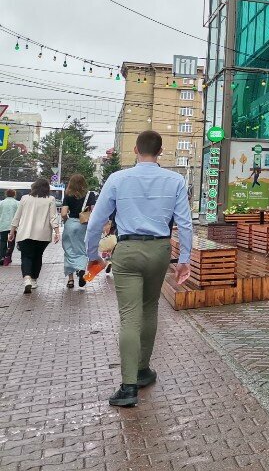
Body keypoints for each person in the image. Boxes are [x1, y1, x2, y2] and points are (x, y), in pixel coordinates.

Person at [84, 130, 193, 408]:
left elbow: (96, 222)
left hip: (128, 250)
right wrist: (185, 259)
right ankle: (143, 369)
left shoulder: (117, 179)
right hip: (159, 250)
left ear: (135, 150)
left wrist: (92, 255)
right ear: (160, 151)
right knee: (150, 307)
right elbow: (185, 222)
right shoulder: (175, 180)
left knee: (129, 316)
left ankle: (128, 386)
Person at [9, 179, 61, 294]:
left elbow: (17, 216)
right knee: (38, 256)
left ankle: (27, 278)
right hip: (42, 234)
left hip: (25, 233)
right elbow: (53, 218)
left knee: (26, 256)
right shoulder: (50, 199)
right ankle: (33, 280)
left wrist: (12, 231)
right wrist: (57, 232)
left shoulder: (24, 198)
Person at [61, 173, 97, 289]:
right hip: (83, 225)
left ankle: (70, 280)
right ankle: (81, 270)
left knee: (68, 250)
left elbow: (63, 213)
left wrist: (67, 221)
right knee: (82, 250)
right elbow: (94, 211)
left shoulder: (68, 195)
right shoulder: (90, 194)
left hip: (70, 224)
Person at [0, 189, 19, 265]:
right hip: (13, 226)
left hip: (3, 225)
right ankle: (8, 257)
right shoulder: (17, 203)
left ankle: (2, 257)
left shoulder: (1, 203)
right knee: (11, 242)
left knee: (3, 241)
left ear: (6, 194)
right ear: (14, 195)